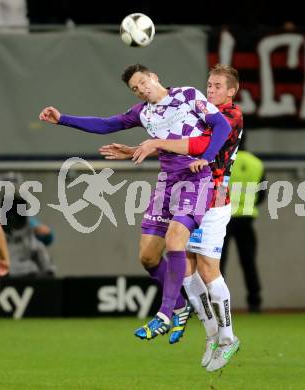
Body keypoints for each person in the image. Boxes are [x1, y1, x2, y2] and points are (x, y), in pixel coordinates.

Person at [39, 63, 231, 346]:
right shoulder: (144, 112)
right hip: (167, 183)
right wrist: (63, 119)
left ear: (154, 76)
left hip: (196, 178)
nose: (141, 89)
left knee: (175, 240)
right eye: (135, 88)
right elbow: (106, 124)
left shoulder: (188, 96)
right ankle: (180, 306)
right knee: (148, 257)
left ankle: (165, 314)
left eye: (142, 82)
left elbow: (221, 125)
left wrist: (208, 157)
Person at [100, 64, 242, 371]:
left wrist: (154, 144)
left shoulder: (230, 116)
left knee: (206, 268)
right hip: (184, 192)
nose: (211, 90)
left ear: (231, 92)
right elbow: (174, 138)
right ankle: (211, 334)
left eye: (218, 86)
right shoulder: (193, 108)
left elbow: (199, 144)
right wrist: (143, 148)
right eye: (209, 84)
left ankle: (227, 336)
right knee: (185, 265)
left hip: (215, 198)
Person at [220, 147, 265, 313]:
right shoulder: (256, 163)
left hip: (223, 218)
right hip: (246, 219)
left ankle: (216, 303)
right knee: (249, 261)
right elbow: (262, 195)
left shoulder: (222, 159)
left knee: (217, 263)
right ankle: (255, 301)